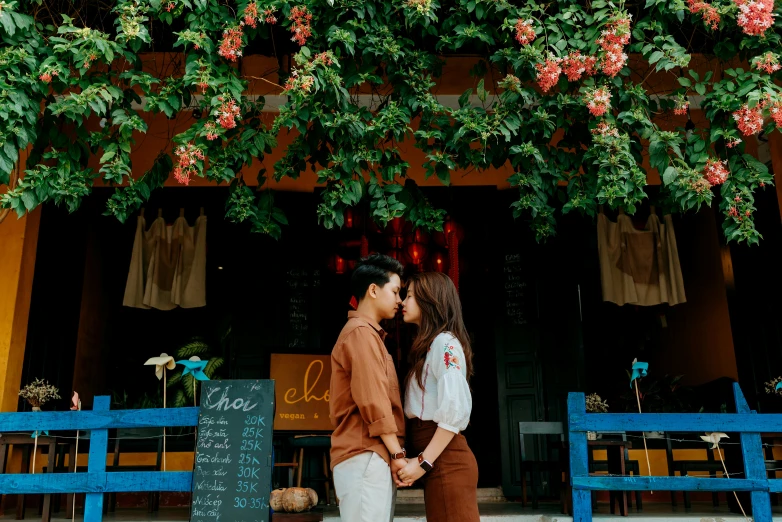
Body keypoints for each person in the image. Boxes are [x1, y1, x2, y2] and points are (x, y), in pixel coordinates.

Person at [329, 254, 407, 522]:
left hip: (371, 455)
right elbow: (373, 400)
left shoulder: (367, 333)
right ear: (373, 290)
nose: (400, 300)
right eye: (396, 291)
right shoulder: (360, 333)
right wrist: (397, 453)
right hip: (365, 454)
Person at [397, 271, 479, 522]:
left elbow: (453, 414)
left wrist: (422, 463)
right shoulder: (431, 345)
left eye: (409, 296)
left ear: (429, 300)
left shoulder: (445, 343)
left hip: (446, 460)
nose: (402, 302)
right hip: (438, 460)